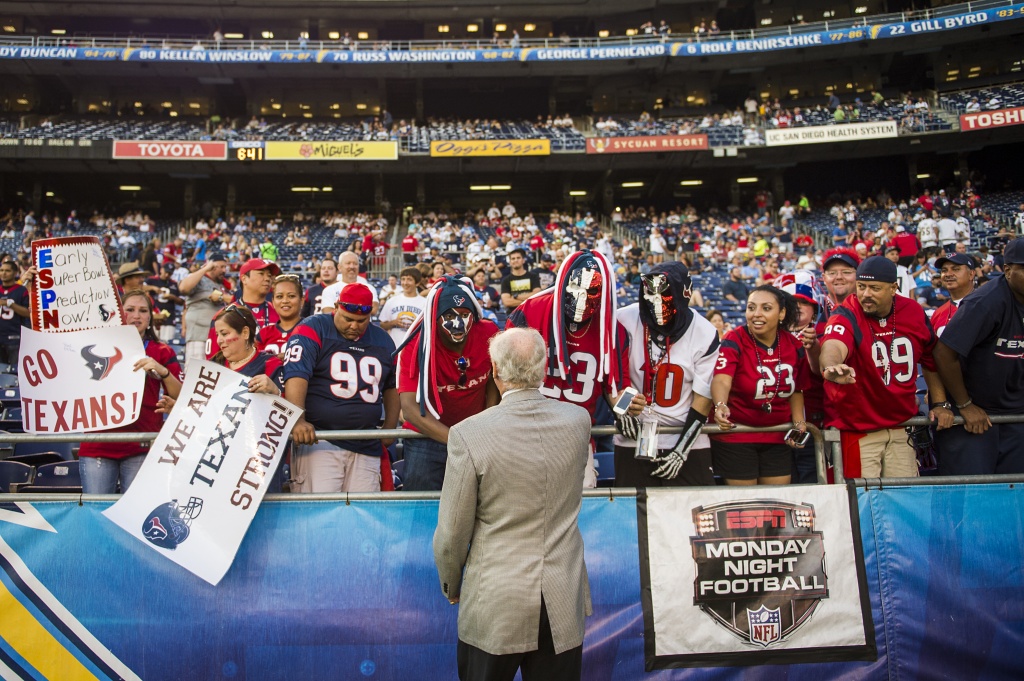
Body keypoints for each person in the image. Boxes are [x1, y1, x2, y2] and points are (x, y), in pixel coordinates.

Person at [433, 327, 592, 681]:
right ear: (543, 368)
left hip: (495, 599)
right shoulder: (579, 421)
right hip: (562, 595)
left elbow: (452, 530)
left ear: (494, 370)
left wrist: (451, 581)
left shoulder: (468, 433)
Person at [508, 250, 644, 487]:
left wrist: (628, 404)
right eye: (576, 287)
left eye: (591, 291)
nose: (581, 299)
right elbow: (502, 374)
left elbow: (617, 388)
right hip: (525, 436)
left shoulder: (614, 331)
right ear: (563, 281)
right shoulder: (530, 311)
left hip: (576, 440)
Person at [819, 256, 953, 479]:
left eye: (874, 288)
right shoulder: (846, 312)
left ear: (894, 288)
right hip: (859, 428)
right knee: (861, 501)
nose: (865, 294)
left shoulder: (913, 312)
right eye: (861, 286)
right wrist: (833, 366)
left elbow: (931, 360)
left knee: (904, 497)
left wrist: (939, 402)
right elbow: (833, 344)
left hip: (903, 426)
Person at [283, 283, 400, 493]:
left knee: (361, 515)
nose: (354, 326)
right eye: (348, 319)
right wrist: (297, 419)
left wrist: (390, 427)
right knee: (320, 514)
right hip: (320, 441)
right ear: (336, 307)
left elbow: (392, 386)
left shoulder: (383, 339)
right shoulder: (313, 328)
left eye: (361, 321)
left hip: (366, 443)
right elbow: (296, 374)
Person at [614, 263, 718, 487]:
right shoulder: (623, 319)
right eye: (651, 295)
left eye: (666, 296)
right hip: (634, 435)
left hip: (686, 437)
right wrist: (621, 410)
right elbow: (614, 375)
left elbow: (703, 399)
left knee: (690, 515)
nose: (657, 304)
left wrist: (681, 451)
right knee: (635, 514)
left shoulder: (705, 332)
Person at [395, 276, 500, 491]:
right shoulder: (416, 343)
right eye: (449, 315)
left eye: (464, 315)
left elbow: (494, 379)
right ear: (435, 317)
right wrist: (457, 439)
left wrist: (486, 423)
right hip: (426, 437)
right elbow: (409, 408)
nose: (458, 323)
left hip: (476, 435)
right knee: (422, 507)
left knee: (480, 505)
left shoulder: (489, 333)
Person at [933, 238, 1024, 475]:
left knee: (1014, 495)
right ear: (1007, 270)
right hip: (976, 415)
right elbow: (943, 353)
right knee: (973, 495)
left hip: (1015, 414)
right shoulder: (986, 302)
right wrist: (965, 404)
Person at [78, 290, 183, 494]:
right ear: (118, 313)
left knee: (135, 518)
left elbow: (181, 396)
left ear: (150, 317)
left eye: (143, 311)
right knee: (96, 514)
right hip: (99, 443)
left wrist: (163, 372)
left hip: (142, 445)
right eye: (130, 310)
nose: (137, 315)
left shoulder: (162, 352)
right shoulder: (95, 346)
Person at [710, 286, 810, 485]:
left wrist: (799, 423)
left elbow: (797, 389)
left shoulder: (793, 345)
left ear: (781, 313)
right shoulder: (734, 339)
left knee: (776, 502)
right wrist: (720, 404)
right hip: (738, 434)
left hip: (777, 435)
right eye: (751, 307)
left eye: (766, 308)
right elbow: (722, 378)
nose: (756, 314)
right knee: (746, 503)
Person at [206, 258, 280, 359]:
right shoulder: (224, 316)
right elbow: (213, 359)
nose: (267, 279)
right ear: (244, 278)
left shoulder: (279, 312)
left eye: (269, 275)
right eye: (261, 274)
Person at [179, 252, 231, 366]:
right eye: (221, 267)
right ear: (212, 266)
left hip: (218, 340)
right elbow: (183, 288)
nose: (224, 270)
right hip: (200, 336)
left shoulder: (222, 285)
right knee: (196, 375)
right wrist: (205, 268)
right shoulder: (200, 279)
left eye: (225, 267)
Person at [929, 252, 977, 337]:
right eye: (944, 270)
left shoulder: (987, 305)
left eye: (955, 269)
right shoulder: (938, 314)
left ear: (971, 274)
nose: (948, 274)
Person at [378, 267, 426, 346]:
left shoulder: (424, 303)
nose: (405, 283)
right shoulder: (392, 301)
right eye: (403, 279)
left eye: (409, 279)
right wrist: (393, 323)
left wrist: (416, 326)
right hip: (395, 347)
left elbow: (429, 329)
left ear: (417, 283)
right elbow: (382, 325)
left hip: (416, 348)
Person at [260, 274, 304, 356]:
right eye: (279, 296)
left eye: (291, 296)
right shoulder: (263, 333)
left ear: (302, 300)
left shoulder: (312, 330)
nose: (285, 301)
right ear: (273, 301)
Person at [145, 262, 184, 342]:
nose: (167, 275)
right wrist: (152, 288)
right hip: (153, 317)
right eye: (166, 272)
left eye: (169, 273)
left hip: (168, 318)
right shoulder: (152, 280)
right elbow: (140, 288)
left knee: (166, 343)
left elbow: (181, 301)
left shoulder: (174, 283)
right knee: (151, 342)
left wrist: (173, 298)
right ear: (161, 270)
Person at [0, 259, 30, 364]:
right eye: (1, 270)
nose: (3, 273)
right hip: (0, 337)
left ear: (15, 273)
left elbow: (28, 313)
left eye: (7, 271)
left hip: (15, 338)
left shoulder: (22, 290)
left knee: (16, 372)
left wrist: (9, 304)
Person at [820, 247, 860, 317]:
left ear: (858, 276)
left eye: (846, 272)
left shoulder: (868, 308)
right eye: (832, 273)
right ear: (824, 278)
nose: (839, 277)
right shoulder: (814, 310)